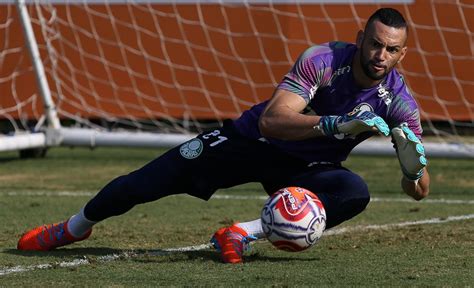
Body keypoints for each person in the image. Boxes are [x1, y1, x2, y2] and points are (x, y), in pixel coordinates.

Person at [17, 7, 430, 264]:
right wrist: (334, 124)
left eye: (392, 50)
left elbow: (419, 190)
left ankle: (240, 232)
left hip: (307, 168)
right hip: (252, 142)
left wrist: (413, 171)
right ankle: (74, 227)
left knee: (353, 190)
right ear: (361, 39)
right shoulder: (323, 60)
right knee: (143, 183)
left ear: (401, 54)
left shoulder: (398, 102)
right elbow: (273, 120)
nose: (381, 56)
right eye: (375, 44)